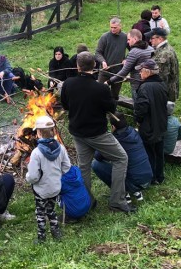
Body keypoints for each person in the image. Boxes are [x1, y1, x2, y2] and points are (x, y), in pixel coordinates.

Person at [60, 52, 132, 213]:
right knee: (121, 158)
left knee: (84, 167)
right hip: (97, 134)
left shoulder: (68, 84)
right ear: (94, 67)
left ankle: (87, 202)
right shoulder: (100, 88)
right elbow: (111, 108)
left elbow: (65, 105)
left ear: (78, 66)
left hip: (77, 132)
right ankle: (117, 201)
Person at [25, 116, 71, 244]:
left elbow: (33, 176)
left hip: (41, 189)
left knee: (40, 212)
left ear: (38, 133)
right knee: (51, 209)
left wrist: (28, 178)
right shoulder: (61, 148)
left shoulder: (36, 153)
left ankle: (41, 237)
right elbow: (67, 167)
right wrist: (57, 174)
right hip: (55, 187)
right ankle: (56, 232)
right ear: (53, 131)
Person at [92, 112, 153, 203]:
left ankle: (123, 192)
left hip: (135, 182)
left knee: (96, 165)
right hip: (148, 178)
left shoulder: (113, 141)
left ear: (113, 127)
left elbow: (97, 156)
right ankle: (136, 191)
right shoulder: (134, 131)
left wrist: (109, 135)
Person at [134, 59, 168, 184]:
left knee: (149, 152)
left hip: (149, 126)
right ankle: (160, 176)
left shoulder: (144, 87)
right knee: (159, 152)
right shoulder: (162, 84)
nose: (139, 74)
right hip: (161, 123)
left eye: (141, 71)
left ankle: (152, 178)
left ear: (147, 72)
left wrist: (138, 120)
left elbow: (141, 109)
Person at [108, 29, 153, 101]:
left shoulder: (134, 52)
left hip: (138, 85)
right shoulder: (150, 49)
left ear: (134, 39)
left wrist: (109, 81)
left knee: (138, 107)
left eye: (129, 39)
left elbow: (124, 72)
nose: (127, 42)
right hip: (151, 84)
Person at [95, 17, 128, 100]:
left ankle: (113, 111)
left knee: (114, 95)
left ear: (120, 26)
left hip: (118, 72)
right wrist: (103, 62)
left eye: (115, 27)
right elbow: (98, 52)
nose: (112, 29)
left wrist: (126, 59)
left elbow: (133, 50)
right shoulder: (104, 37)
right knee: (99, 92)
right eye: (111, 27)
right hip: (105, 71)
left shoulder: (125, 37)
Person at [146, 27, 180, 102]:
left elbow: (161, 77)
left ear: (160, 39)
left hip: (163, 93)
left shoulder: (164, 54)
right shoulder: (166, 49)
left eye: (152, 38)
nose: (150, 40)